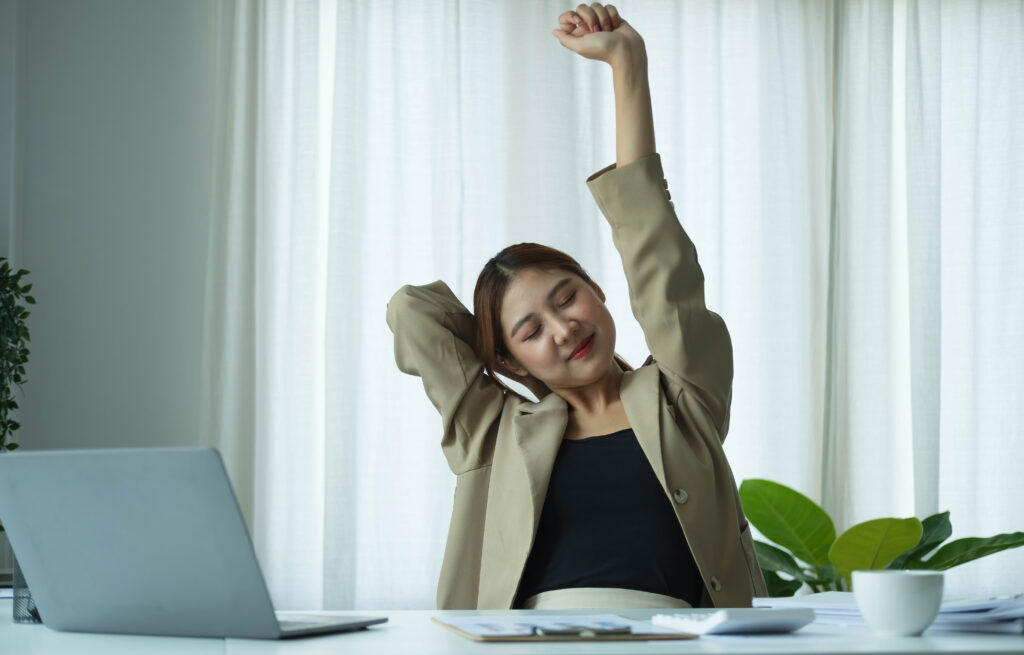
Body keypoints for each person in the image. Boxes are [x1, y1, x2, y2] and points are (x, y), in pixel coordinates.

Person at [386, 3, 767, 611]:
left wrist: (626, 65)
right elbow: (412, 311)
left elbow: (657, 255)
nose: (564, 329)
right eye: (531, 329)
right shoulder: (495, 431)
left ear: (600, 291)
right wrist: (499, 346)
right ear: (508, 360)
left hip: (675, 641)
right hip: (527, 645)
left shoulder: (682, 397)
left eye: (568, 297)